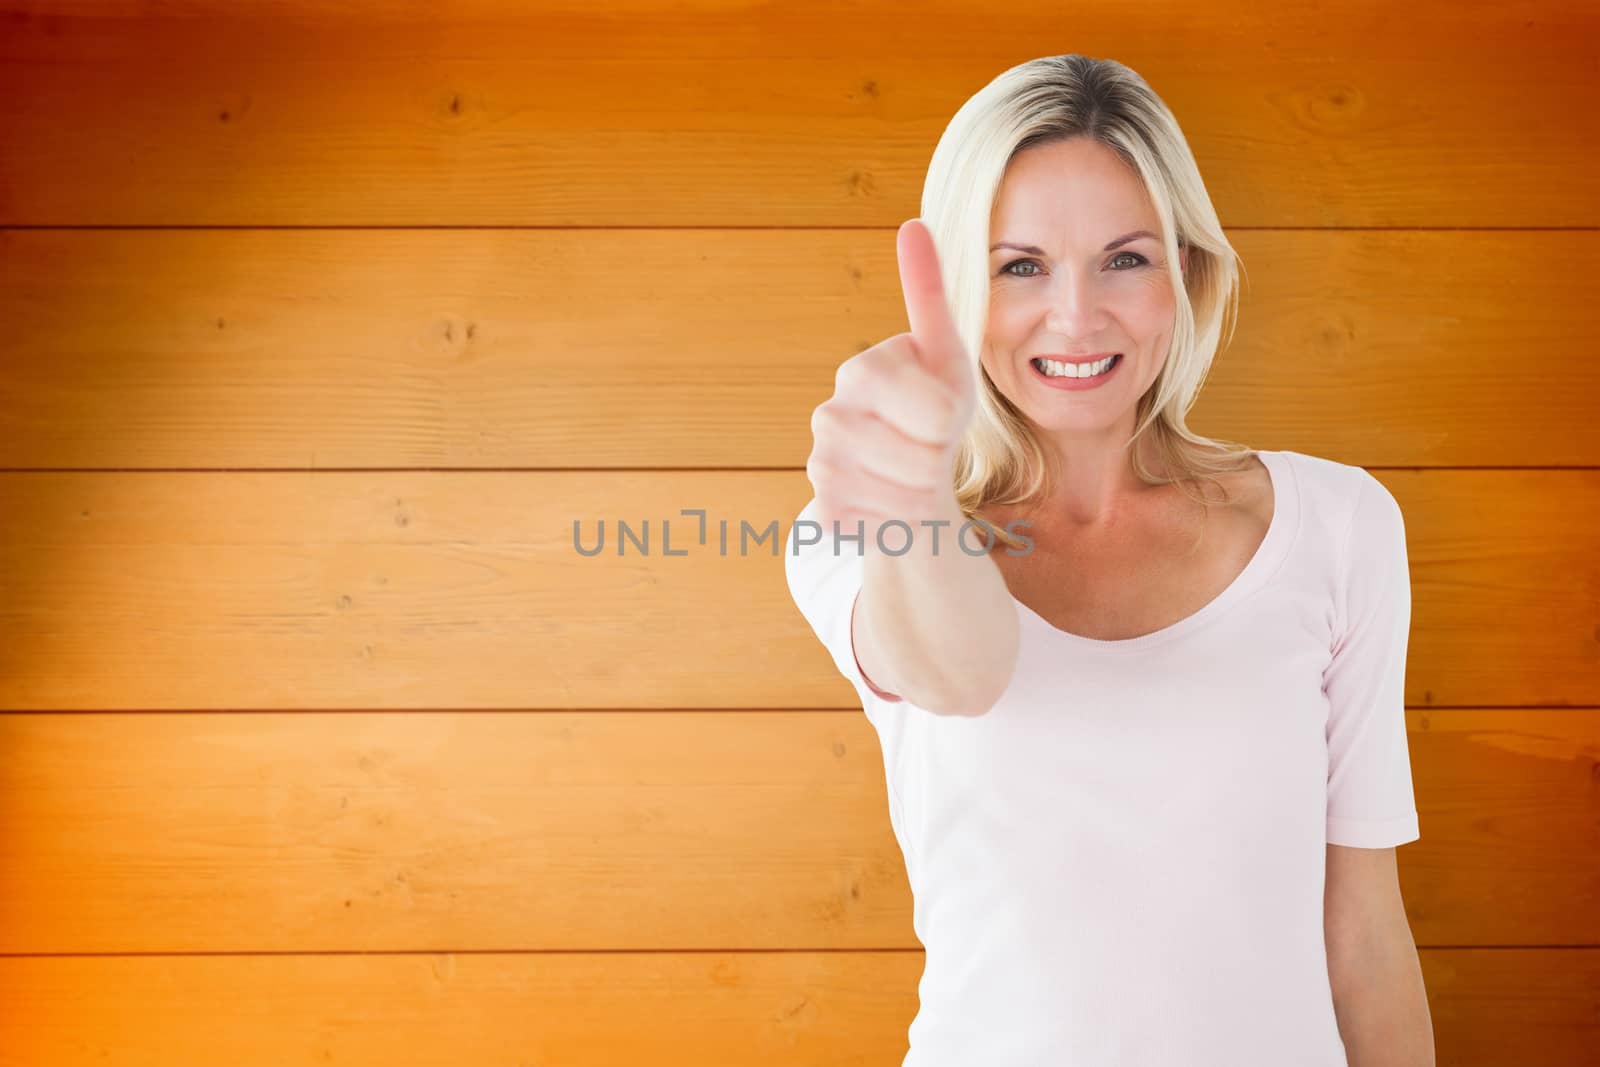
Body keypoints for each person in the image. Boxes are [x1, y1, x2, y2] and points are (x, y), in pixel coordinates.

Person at [785, 55, 1434, 1066]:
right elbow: (956, 672)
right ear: (956, 290)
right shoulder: (862, 525)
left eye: (1124, 259)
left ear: (1187, 272)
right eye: (1019, 265)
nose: (1077, 315)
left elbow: (1363, 936)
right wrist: (913, 495)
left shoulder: (1340, 525)